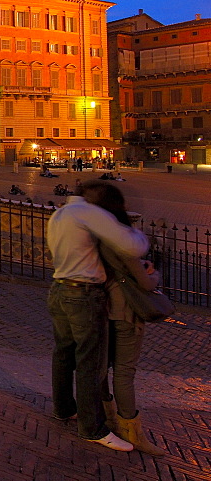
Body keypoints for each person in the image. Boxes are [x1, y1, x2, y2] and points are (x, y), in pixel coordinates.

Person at [46, 179, 148, 452]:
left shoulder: (60, 213)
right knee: (91, 362)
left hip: (59, 288)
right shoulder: (88, 213)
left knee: (64, 354)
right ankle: (92, 428)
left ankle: (64, 408)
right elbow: (133, 246)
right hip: (83, 293)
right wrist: (135, 233)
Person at [82, 183, 167, 456]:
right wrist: (153, 274)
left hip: (102, 308)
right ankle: (131, 429)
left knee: (104, 366)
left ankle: (107, 417)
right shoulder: (120, 239)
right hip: (126, 311)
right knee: (124, 371)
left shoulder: (93, 236)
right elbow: (144, 282)